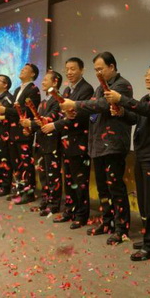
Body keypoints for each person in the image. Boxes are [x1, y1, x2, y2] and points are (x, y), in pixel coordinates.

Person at [60, 52, 134, 245]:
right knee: (103, 189)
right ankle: (107, 222)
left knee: (115, 188)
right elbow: (92, 108)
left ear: (112, 67)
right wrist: (75, 111)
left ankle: (121, 228)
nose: (98, 73)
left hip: (113, 144)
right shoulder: (101, 88)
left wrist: (76, 104)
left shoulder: (121, 85)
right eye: (95, 70)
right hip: (98, 144)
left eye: (100, 69)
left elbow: (102, 104)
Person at [104, 64, 150, 261]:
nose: (147, 78)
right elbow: (136, 117)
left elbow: (149, 111)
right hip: (142, 154)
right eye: (146, 74)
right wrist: (122, 113)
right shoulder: (145, 98)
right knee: (143, 200)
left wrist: (121, 99)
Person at [42, 58, 94, 229]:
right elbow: (63, 113)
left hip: (79, 141)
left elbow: (79, 116)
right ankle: (69, 211)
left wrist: (55, 125)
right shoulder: (66, 90)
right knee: (69, 180)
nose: (69, 72)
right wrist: (60, 119)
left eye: (73, 69)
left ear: (82, 70)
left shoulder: (86, 89)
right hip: (66, 142)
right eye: (67, 69)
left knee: (80, 182)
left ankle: (81, 215)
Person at [0, 63, 41, 205]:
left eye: (25, 69)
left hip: (24, 130)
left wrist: (5, 111)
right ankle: (20, 190)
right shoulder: (17, 89)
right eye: (21, 69)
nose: (21, 70)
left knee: (26, 163)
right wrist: (4, 112)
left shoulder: (33, 89)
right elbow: (13, 110)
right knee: (16, 164)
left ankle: (29, 192)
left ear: (33, 74)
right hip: (13, 131)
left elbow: (28, 111)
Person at [21, 70, 63, 216]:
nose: (43, 82)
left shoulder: (58, 100)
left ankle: (54, 204)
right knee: (43, 176)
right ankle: (45, 201)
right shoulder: (44, 101)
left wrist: (31, 124)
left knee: (53, 176)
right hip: (40, 142)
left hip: (52, 143)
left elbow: (50, 119)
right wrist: (30, 129)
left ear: (55, 82)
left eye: (46, 79)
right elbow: (38, 121)